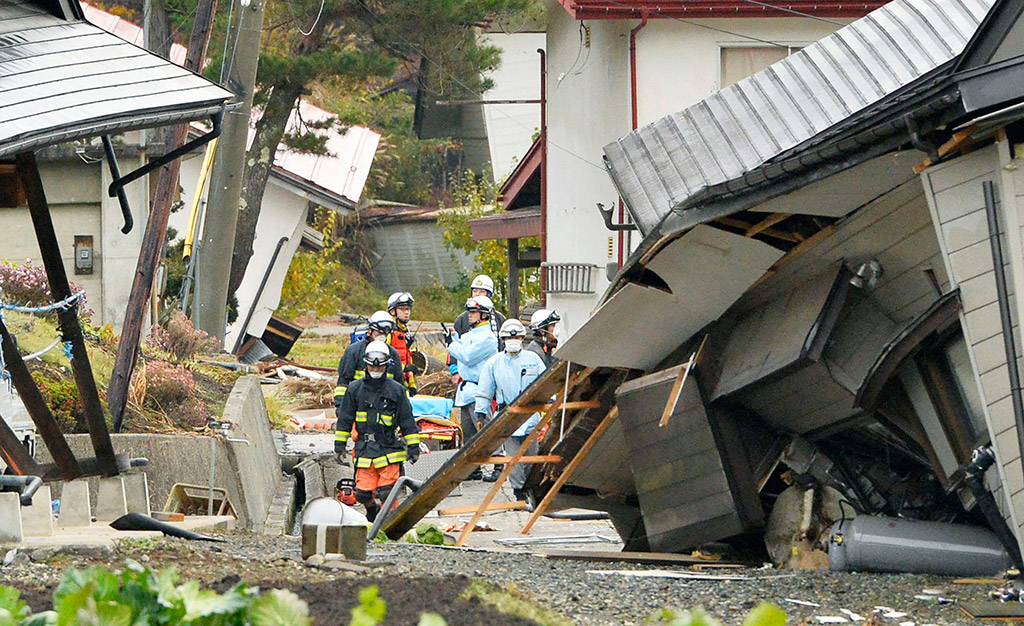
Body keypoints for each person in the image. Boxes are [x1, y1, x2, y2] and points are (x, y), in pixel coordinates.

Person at [334, 340, 420, 522]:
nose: (375, 370)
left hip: (388, 447)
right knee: (363, 495)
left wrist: (413, 447)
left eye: (379, 367)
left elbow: (407, 419)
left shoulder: (396, 390)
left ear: (386, 366)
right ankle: (372, 511)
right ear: (365, 363)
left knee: (387, 492)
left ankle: (391, 522)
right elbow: (345, 419)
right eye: (372, 367)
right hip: (365, 448)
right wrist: (339, 445)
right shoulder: (355, 389)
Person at [475, 319, 546, 508]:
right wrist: (481, 411)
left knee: (532, 457)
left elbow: (547, 384)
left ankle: (534, 489)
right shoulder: (494, 363)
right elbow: (484, 389)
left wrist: (552, 405)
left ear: (522, 338)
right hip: (507, 416)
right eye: (509, 337)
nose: (513, 340)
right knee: (514, 459)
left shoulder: (533, 359)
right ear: (503, 339)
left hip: (531, 416)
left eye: (516, 337)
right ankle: (519, 492)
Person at [446, 295, 499, 478]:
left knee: (487, 431)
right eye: (469, 311)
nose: (470, 315)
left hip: (479, 391)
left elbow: (467, 356)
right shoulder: (470, 335)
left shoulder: (488, 339)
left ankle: (498, 465)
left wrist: (451, 344)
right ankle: (473, 469)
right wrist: (454, 338)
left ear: (484, 315)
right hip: (466, 391)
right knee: (468, 435)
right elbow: (462, 348)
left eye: (474, 312)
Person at [334, 310, 404, 405]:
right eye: (379, 332)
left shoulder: (393, 354)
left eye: (385, 334)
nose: (382, 336)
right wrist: (340, 405)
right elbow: (343, 382)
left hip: (385, 405)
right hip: (358, 402)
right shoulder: (354, 351)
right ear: (370, 330)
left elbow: (399, 385)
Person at [386, 292, 418, 396]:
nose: (406, 312)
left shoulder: (403, 331)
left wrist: (412, 385)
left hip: (402, 384)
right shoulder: (388, 331)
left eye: (408, 309)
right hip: (389, 385)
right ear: (392, 311)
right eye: (402, 309)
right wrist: (404, 368)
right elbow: (384, 359)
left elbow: (406, 358)